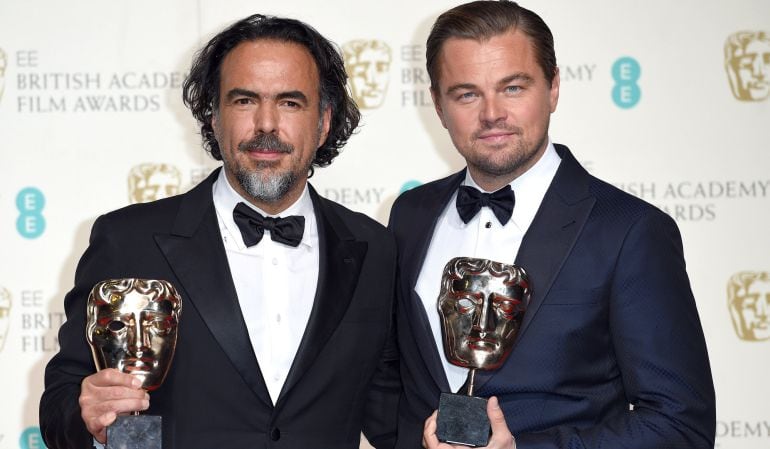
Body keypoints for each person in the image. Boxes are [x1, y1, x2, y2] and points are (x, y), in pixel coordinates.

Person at [40, 14, 399, 449]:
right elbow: (62, 401)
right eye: (244, 100)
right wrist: (89, 416)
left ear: (323, 121)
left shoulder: (374, 250)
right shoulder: (128, 240)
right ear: (213, 116)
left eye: (290, 102)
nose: (266, 124)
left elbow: (391, 414)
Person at [387, 1, 716, 448]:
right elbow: (394, 386)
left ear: (554, 87)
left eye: (513, 88)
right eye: (466, 93)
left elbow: (680, 425)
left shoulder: (629, 232)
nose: (491, 113)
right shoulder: (410, 214)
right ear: (438, 106)